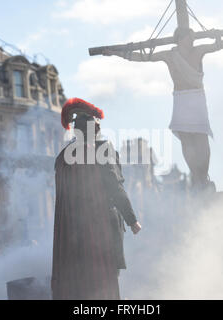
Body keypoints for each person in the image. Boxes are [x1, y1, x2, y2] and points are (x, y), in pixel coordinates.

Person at [105, 27, 223, 192]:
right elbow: (143, 57)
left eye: (193, 37)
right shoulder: (169, 55)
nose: (192, 40)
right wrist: (116, 53)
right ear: (180, 39)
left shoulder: (199, 50)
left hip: (197, 97)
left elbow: (220, 44)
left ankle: (204, 176)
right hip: (181, 98)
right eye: (189, 37)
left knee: (201, 137)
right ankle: (196, 176)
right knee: (186, 139)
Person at [51, 98, 142, 299]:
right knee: (105, 282)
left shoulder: (63, 157)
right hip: (99, 231)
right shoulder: (101, 150)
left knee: (79, 284)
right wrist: (132, 219)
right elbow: (114, 185)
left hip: (72, 233)